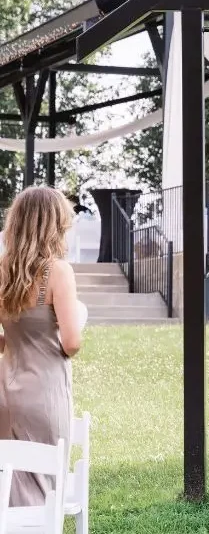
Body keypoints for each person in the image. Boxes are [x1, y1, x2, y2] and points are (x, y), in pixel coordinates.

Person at [0, 186, 85, 505]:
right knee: (43, 493)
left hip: (5, 392)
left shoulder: (3, 271)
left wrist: (17, 340)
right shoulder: (57, 272)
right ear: (54, 224)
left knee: (9, 489)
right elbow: (72, 342)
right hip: (44, 394)